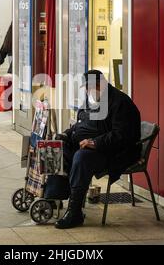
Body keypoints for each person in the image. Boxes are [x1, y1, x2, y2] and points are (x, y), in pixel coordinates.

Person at [54, 70, 141, 229]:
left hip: (115, 153)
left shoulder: (120, 102)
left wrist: (94, 142)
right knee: (60, 148)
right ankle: (55, 196)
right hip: (93, 146)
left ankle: (74, 213)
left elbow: (122, 136)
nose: (87, 91)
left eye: (89, 87)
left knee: (82, 158)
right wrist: (66, 134)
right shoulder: (94, 100)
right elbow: (81, 123)